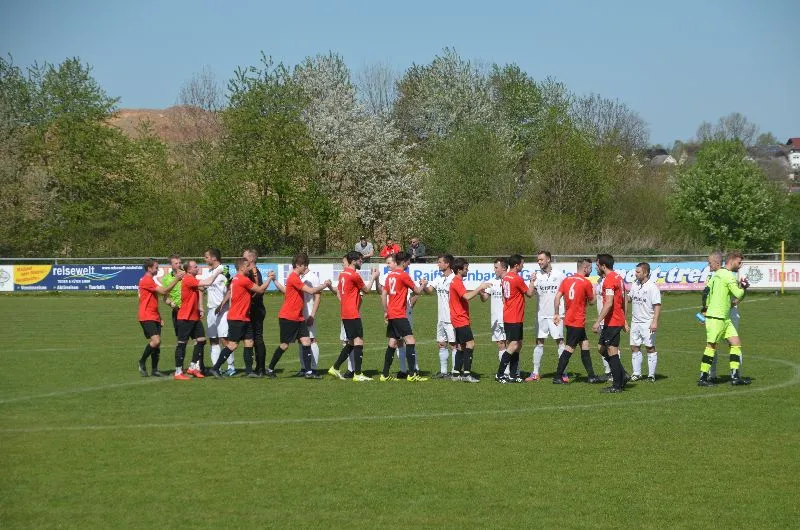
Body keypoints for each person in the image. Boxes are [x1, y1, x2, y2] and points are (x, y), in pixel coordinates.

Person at [266, 253, 332, 379]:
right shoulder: (294, 277)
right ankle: (270, 369)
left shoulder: (295, 277)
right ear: (298, 265)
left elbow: (286, 291)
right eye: (304, 265)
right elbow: (311, 291)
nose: (305, 268)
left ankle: (309, 372)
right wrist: (325, 285)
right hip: (288, 317)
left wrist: (274, 280)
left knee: (306, 341)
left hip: (299, 317)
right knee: (284, 345)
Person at [209, 258, 273, 378]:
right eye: (247, 266)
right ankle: (215, 368)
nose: (249, 268)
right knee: (233, 345)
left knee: (249, 342)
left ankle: (249, 371)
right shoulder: (243, 280)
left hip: (244, 317)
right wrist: (270, 278)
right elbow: (260, 290)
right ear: (242, 268)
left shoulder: (236, 279)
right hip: (237, 318)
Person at [697, 250, 751, 387]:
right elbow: (738, 293)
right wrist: (744, 287)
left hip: (723, 318)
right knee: (711, 346)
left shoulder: (716, 275)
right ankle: (703, 378)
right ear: (732, 260)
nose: (740, 265)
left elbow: (706, 293)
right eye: (739, 262)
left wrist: (704, 311)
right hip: (717, 317)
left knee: (736, 343)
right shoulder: (728, 276)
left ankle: (735, 377)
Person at [328, 251, 380, 382]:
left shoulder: (342, 274)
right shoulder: (354, 275)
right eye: (360, 260)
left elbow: (339, 291)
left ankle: (335, 367)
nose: (361, 262)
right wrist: (373, 277)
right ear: (353, 261)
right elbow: (367, 290)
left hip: (345, 312)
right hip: (352, 312)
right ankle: (357, 373)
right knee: (359, 341)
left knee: (351, 342)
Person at [380, 251, 428, 381]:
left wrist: (386, 311)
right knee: (410, 340)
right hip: (399, 314)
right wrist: (423, 284)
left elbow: (383, 294)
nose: (409, 264)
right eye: (408, 261)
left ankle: (385, 374)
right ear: (404, 262)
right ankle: (412, 374)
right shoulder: (403, 275)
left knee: (392, 342)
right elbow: (417, 291)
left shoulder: (390, 276)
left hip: (391, 313)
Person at [553, 258, 602, 383]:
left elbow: (557, 297)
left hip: (570, 319)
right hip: (577, 321)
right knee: (569, 348)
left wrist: (556, 313)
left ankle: (591, 376)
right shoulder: (585, 283)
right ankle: (557, 377)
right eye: (590, 268)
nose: (591, 270)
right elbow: (592, 302)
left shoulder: (567, 280)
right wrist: (595, 291)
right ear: (585, 268)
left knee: (585, 344)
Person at [174, 260, 224, 380]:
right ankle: (178, 372)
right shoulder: (188, 278)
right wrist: (218, 271)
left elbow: (202, 288)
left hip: (194, 317)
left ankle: (192, 367)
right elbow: (208, 282)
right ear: (189, 269)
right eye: (195, 267)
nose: (198, 268)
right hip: (185, 317)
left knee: (201, 340)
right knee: (182, 344)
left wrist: (200, 307)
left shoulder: (192, 279)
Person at [137, 259, 184, 377]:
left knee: (157, 344)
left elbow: (152, 300)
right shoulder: (147, 280)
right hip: (146, 315)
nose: (157, 269)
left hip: (154, 315)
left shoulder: (150, 280)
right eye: (156, 267)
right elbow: (163, 291)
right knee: (156, 341)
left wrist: (159, 316)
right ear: (149, 268)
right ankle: (142, 361)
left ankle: (154, 369)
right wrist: (176, 279)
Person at [525, 250, 566, 382]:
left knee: (560, 342)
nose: (539, 262)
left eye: (541, 259)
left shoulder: (559, 275)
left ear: (548, 259)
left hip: (556, 315)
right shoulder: (536, 276)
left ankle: (563, 373)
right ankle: (535, 373)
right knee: (539, 342)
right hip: (541, 315)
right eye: (538, 260)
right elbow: (530, 294)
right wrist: (532, 281)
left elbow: (566, 292)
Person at [449, 258, 491, 382]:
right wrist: (479, 288)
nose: (467, 270)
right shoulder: (456, 281)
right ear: (459, 270)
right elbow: (466, 296)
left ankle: (456, 374)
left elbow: (464, 294)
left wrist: (477, 292)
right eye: (466, 268)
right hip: (460, 318)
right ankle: (467, 374)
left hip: (457, 318)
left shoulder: (456, 281)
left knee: (461, 346)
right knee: (470, 344)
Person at [592, 254, 629, 393]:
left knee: (611, 351)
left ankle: (617, 385)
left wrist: (597, 321)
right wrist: (624, 319)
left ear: (603, 266)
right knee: (601, 348)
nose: (596, 267)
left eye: (597, 265)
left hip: (613, 320)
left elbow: (608, 303)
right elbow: (624, 300)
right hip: (614, 320)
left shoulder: (609, 280)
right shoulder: (618, 277)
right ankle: (622, 375)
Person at [495, 254, 535, 383]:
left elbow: (503, 296)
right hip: (514, 317)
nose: (523, 266)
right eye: (522, 263)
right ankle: (500, 374)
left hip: (510, 315)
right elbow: (530, 294)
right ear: (517, 265)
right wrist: (532, 281)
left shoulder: (506, 277)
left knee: (518, 345)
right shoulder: (517, 278)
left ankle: (513, 375)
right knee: (513, 345)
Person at [422, 254, 457, 378]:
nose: (438, 264)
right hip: (441, 318)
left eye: (440, 262)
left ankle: (455, 372)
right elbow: (429, 291)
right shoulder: (439, 278)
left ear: (447, 264)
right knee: (441, 344)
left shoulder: (454, 279)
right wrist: (424, 285)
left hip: (451, 318)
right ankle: (443, 372)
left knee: (453, 345)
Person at [203, 248, 235, 376]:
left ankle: (231, 367)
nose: (205, 259)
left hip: (222, 310)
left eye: (206, 257)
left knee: (224, 339)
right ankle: (217, 368)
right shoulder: (209, 272)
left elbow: (231, 288)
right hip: (211, 309)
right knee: (213, 340)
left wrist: (222, 304)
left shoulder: (224, 270)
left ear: (214, 258)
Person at [627, 262, 661, 382]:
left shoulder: (652, 287)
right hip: (635, 322)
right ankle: (637, 373)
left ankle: (651, 375)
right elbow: (629, 298)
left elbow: (657, 305)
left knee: (650, 347)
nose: (635, 274)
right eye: (635, 271)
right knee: (634, 347)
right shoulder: (635, 284)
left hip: (647, 322)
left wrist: (654, 321)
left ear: (645, 273)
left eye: (638, 272)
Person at [480, 257, 509, 376]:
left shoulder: (510, 280)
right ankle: (505, 372)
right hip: (496, 319)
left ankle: (515, 371)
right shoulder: (492, 281)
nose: (495, 270)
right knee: (501, 344)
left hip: (509, 318)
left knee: (511, 345)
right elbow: (484, 299)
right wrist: (481, 292)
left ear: (504, 268)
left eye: (496, 267)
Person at [242, 249, 268, 376]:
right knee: (251, 338)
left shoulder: (254, 272)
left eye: (245, 258)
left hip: (255, 309)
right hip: (253, 309)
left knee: (257, 338)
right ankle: (256, 368)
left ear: (252, 259)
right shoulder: (250, 272)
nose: (243, 261)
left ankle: (260, 368)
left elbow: (258, 291)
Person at [161, 254, 183, 336]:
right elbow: (165, 298)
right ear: (171, 265)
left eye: (180, 263)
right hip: (177, 311)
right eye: (176, 263)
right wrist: (171, 304)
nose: (179, 265)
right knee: (181, 338)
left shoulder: (187, 275)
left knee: (199, 338)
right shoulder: (166, 279)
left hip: (190, 309)